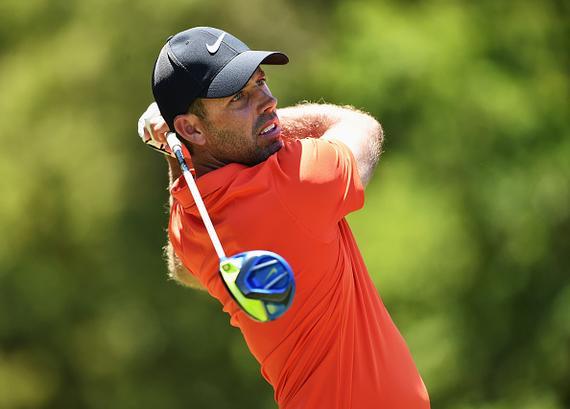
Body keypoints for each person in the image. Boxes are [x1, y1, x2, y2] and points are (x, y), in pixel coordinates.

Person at [138, 26, 430, 409]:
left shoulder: (192, 221)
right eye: (239, 97)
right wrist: (271, 124)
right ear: (191, 127)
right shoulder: (291, 182)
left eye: (261, 82)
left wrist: (176, 151)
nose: (269, 101)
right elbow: (362, 127)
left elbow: (185, 268)